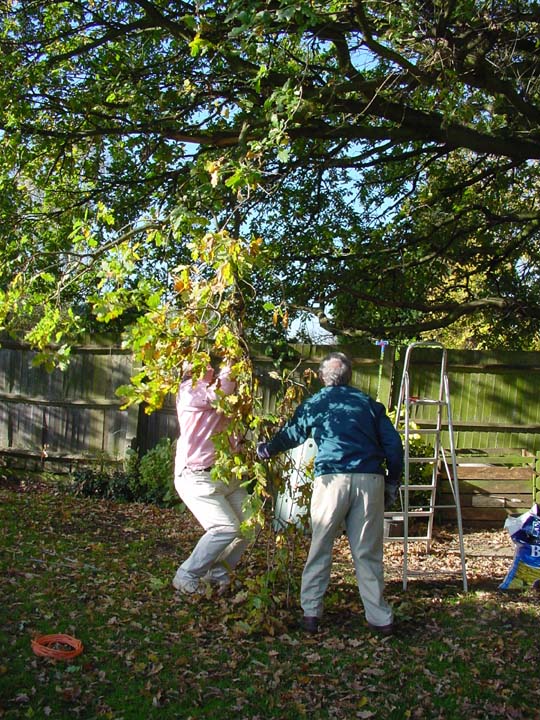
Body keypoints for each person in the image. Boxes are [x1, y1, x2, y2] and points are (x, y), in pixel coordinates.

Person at [257, 351, 403, 636]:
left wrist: (267, 449)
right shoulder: (369, 405)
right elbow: (394, 446)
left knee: (321, 545)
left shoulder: (316, 403)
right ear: (349, 376)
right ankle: (380, 618)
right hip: (368, 480)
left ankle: (311, 613)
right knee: (367, 552)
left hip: (331, 480)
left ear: (323, 377)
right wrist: (392, 481)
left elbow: (293, 434)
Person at [172, 361, 249, 596]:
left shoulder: (213, 389)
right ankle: (186, 575)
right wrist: (232, 364)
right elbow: (222, 393)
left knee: (250, 525)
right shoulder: (189, 391)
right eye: (198, 361)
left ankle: (216, 573)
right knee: (224, 527)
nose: (208, 365)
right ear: (187, 369)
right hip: (197, 476)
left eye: (208, 361)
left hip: (226, 474)